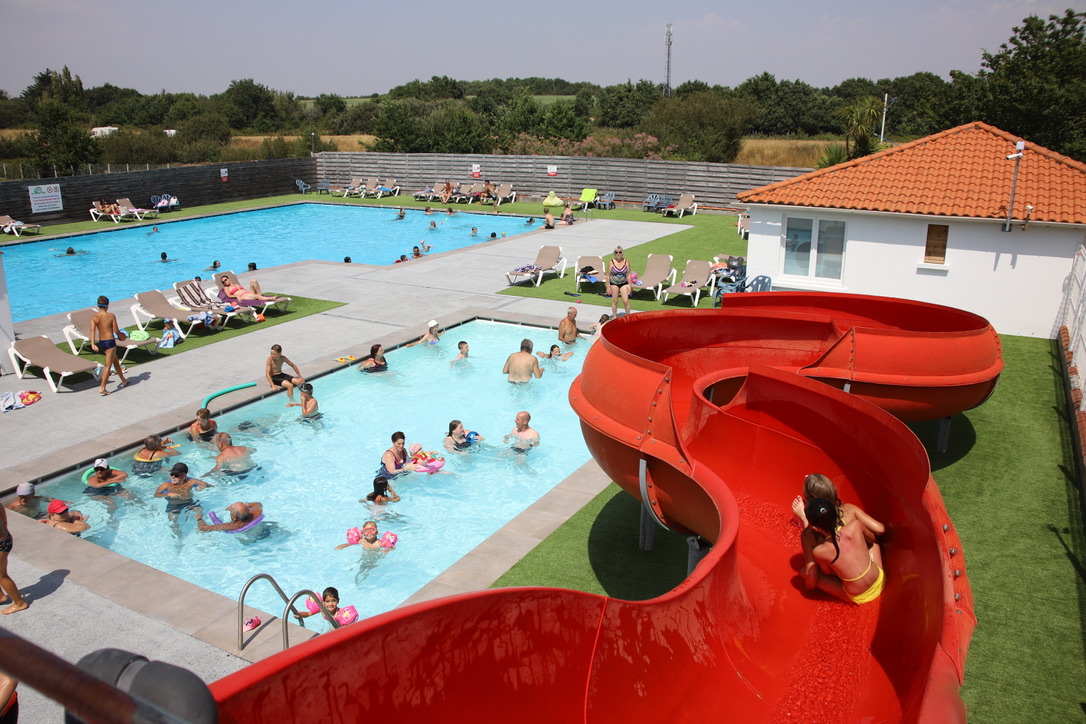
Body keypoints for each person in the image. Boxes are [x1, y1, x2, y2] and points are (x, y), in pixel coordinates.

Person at [802, 498, 885, 605]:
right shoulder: (855, 525)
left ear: (814, 528)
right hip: (879, 579)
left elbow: (828, 572)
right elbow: (872, 539)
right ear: (836, 512)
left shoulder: (819, 552)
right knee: (871, 542)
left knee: (806, 572)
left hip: (859, 596)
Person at [90, 296, 129, 396]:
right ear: (107, 305)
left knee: (115, 361)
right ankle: (102, 388)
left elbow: (92, 331)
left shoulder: (94, 317)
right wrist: (122, 337)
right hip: (110, 342)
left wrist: (92, 344)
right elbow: (116, 330)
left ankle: (123, 380)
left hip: (102, 342)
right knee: (108, 365)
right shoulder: (111, 316)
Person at [0, 506, 28, 614]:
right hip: (5, 538)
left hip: (1, 544)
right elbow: (3, 517)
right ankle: (1, 596)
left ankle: (20, 603)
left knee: (2, 576)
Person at [197, 501, 263, 532]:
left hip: (247, 541)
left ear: (234, 518)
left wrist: (199, 518)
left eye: (231, 509)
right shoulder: (256, 513)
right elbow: (258, 504)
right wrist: (244, 506)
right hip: (262, 531)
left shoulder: (233, 526)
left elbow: (204, 528)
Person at [608, 246, 632, 317]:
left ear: (622, 253)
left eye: (620, 252)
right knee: (615, 300)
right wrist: (608, 286)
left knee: (626, 301)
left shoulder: (626, 261)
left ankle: (629, 317)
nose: (618, 254)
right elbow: (608, 275)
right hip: (614, 283)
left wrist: (630, 286)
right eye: (616, 252)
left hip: (623, 283)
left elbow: (629, 274)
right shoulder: (611, 262)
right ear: (614, 253)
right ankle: (614, 317)